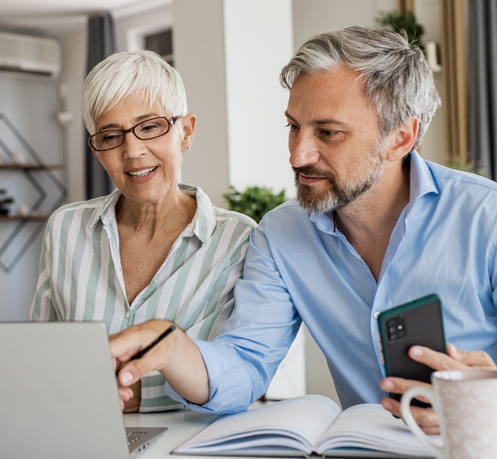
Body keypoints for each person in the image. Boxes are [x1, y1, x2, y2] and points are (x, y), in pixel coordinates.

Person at [110, 27, 497, 434]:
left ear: (400, 138)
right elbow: (245, 364)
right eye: (293, 126)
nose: (298, 155)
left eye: (328, 133)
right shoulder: (281, 234)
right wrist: (172, 346)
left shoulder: (485, 216)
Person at [30, 51, 256, 412]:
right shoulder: (66, 228)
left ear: (186, 132)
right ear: (98, 150)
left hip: (189, 450)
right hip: (82, 436)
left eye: (149, 127)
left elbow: (240, 374)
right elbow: (41, 354)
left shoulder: (238, 241)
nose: (132, 151)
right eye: (111, 135)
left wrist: (136, 393)